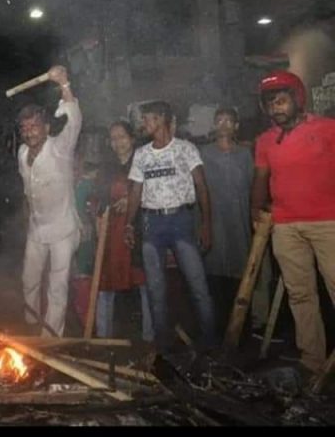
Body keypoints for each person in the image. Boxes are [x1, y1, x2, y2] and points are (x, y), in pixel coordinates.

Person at [251, 70, 335, 376]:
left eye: (282, 100)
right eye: (271, 103)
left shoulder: (328, 129)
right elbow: (261, 178)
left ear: (298, 99)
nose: (276, 108)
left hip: (329, 223)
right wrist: (255, 212)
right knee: (300, 294)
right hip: (285, 226)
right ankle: (312, 359)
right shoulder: (264, 141)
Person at [124, 101, 216, 354]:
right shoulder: (142, 154)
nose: (145, 124)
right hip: (152, 224)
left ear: (162, 119)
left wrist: (206, 224)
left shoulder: (186, 149)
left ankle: (210, 342)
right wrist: (129, 224)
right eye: (144, 120)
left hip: (181, 221)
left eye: (149, 119)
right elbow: (135, 192)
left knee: (197, 283)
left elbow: (202, 187)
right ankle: (163, 345)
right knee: (155, 288)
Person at [18, 65, 82, 338]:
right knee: (29, 279)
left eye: (34, 126)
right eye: (24, 127)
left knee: (57, 285)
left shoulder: (60, 147)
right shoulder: (21, 153)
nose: (29, 131)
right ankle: (31, 323)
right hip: (37, 228)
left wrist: (64, 83)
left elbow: (74, 119)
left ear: (46, 127)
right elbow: (27, 192)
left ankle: (51, 337)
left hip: (63, 230)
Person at [199, 108, 256, 334]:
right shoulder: (203, 154)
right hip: (212, 223)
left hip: (239, 223)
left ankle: (241, 330)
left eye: (229, 121)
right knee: (214, 277)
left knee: (241, 276)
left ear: (237, 126)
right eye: (219, 120)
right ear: (214, 124)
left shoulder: (245, 154)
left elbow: (253, 187)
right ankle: (218, 331)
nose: (223, 125)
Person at [95, 121, 153, 343]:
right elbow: (98, 200)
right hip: (112, 233)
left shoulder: (143, 162)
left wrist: (131, 200)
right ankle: (103, 335)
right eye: (113, 138)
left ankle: (149, 337)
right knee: (106, 282)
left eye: (122, 137)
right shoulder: (107, 168)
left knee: (145, 282)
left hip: (138, 230)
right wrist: (98, 222)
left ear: (132, 138)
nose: (118, 142)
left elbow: (152, 191)